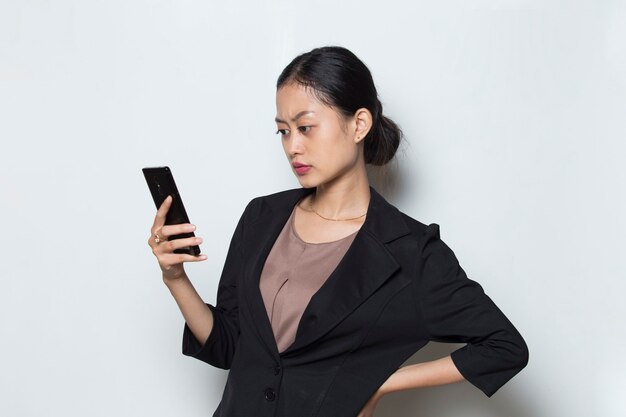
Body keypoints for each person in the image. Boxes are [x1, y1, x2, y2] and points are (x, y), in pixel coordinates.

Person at [147, 46, 529, 417]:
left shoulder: (411, 251)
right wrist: (175, 277)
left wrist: (377, 383)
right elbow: (229, 347)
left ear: (359, 124)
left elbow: (504, 346)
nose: (293, 146)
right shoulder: (261, 217)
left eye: (306, 127)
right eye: (283, 131)